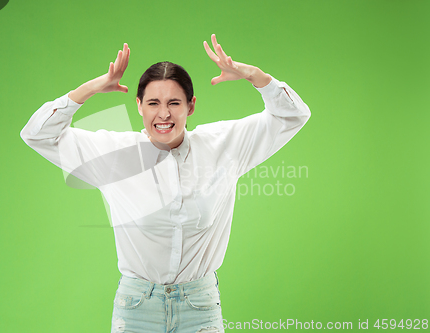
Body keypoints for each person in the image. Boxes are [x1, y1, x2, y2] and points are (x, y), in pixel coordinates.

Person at [20, 34, 311, 333]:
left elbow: (292, 115)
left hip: (200, 307)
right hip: (136, 309)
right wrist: (90, 89)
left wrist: (254, 75)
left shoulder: (223, 145)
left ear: (191, 106)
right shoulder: (115, 154)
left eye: (174, 102)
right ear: (139, 106)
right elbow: (37, 134)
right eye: (153, 103)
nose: (164, 114)